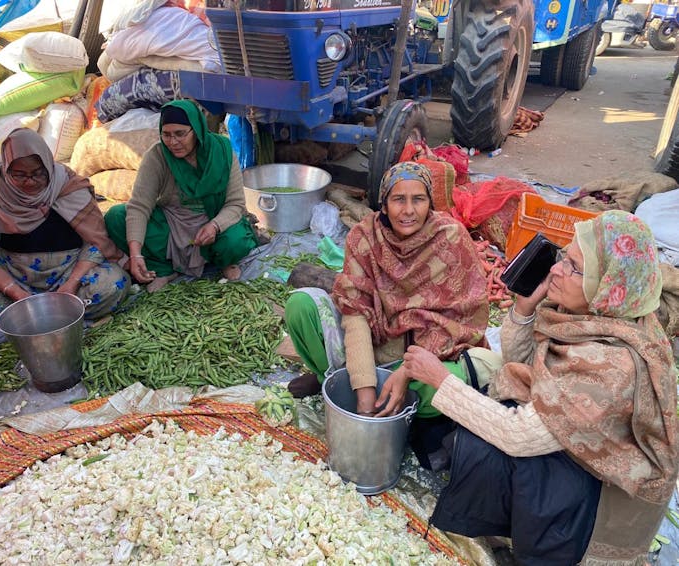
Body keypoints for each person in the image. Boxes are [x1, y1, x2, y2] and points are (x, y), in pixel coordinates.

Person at [403, 210, 678, 564]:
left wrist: (440, 379)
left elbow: (518, 436)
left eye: (575, 267)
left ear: (608, 284)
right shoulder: (600, 319)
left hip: (598, 511)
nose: (556, 270)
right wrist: (524, 309)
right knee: (486, 414)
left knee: (485, 448)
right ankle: (515, 519)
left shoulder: (613, 368)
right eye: (564, 256)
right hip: (581, 460)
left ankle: (539, 550)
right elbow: (528, 367)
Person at [284, 161, 489, 468]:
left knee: (456, 383)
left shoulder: (451, 239)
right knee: (301, 305)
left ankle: (404, 408)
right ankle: (333, 376)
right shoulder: (365, 238)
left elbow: (463, 320)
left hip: (424, 360)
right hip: (373, 346)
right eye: (398, 199)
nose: (408, 210)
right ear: (383, 203)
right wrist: (365, 389)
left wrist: (407, 372)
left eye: (418, 199)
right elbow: (354, 312)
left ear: (430, 203)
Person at [0, 128, 131, 329]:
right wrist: (17, 293)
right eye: (19, 175)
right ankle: (53, 316)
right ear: (6, 169)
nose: (29, 182)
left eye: (37, 173)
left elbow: (96, 242)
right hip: (12, 276)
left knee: (112, 285)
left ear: (47, 164)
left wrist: (71, 284)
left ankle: (22, 321)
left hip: (69, 272)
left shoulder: (69, 187)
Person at [104, 99, 258, 291]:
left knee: (235, 241)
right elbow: (139, 206)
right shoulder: (158, 156)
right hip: (173, 222)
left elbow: (235, 204)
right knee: (117, 217)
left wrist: (214, 226)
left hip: (213, 219)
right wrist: (135, 255)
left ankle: (224, 261)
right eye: (166, 135)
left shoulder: (222, 151)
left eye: (180, 134)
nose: (173, 142)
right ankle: (164, 269)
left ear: (196, 130)